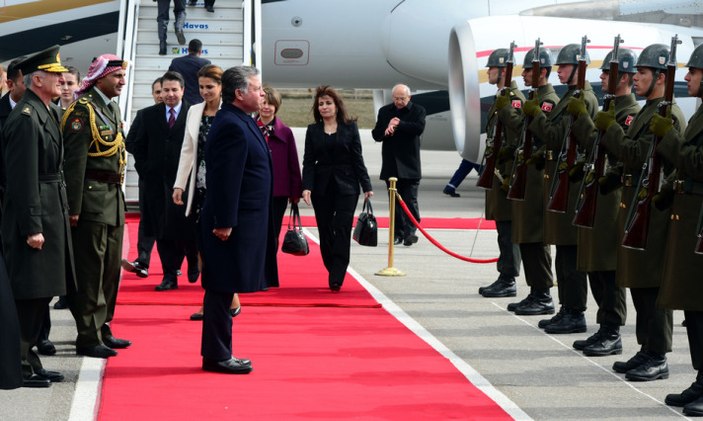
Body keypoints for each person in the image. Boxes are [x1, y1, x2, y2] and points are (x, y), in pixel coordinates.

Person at [599, 43, 686, 381]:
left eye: (643, 73)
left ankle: (659, 354)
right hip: (635, 203)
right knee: (638, 283)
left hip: (654, 211)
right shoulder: (650, 111)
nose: (635, 78)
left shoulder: (668, 116)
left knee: (652, 285)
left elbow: (638, 155)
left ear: (661, 78)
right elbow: (633, 161)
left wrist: (613, 131)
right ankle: (647, 347)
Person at [1, 45, 75, 386]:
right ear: (37, 79)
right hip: (36, 216)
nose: (62, 79)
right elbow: (22, 179)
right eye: (55, 75)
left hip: (50, 209)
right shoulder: (26, 118)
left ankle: (28, 358)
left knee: (42, 291)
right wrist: (32, 226)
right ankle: (18, 361)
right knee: (30, 292)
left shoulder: (43, 110)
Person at [567, 48, 640, 356]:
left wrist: (603, 124)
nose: (601, 77)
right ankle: (604, 327)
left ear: (624, 78)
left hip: (613, 199)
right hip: (597, 193)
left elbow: (625, 154)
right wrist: (583, 118)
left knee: (608, 267)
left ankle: (612, 330)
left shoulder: (629, 115)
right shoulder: (610, 110)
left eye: (607, 74)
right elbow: (591, 144)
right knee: (595, 265)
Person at [523, 42, 598, 333]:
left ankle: (575, 311)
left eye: (564, 66)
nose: (559, 70)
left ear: (579, 67)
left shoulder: (582, 100)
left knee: (571, 253)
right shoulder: (571, 98)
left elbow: (557, 137)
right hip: (561, 180)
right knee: (564, 251)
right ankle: (567, 307)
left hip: (573, 183)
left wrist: (536, 117)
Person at [61, 54, 131, 359]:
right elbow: (73, 163)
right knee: (92, 269)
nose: (122, 81)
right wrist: (73, 207)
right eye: (117, 76)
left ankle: (103, 326)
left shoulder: (110, 107)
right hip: (90, 200)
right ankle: (87, 335)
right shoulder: (82, 110)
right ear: (101, 77)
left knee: (110, 269)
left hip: (112, 197)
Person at [199, 66, 268, 374]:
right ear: (240, 94)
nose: (263, 93)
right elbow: (226, 179)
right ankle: (217, 355)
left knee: (224, 287)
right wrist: (224, 221)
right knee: (221, 286)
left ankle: (220, 352)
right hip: (228, 223)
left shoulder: (241, 119)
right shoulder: (231, 124)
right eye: (257, 88)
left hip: (241, 220)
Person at [653, 43, 703, 415]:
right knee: (694, 307)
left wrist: (669, 138)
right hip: (689, 214)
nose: (687, 78)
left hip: (700, 217)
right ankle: (702, 379)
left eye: (694, 72)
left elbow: (699, 162)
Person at [171, 65, 240, 320]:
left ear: (222, 86)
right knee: (202, 247)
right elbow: (187, 150)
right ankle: (221, 298)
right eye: (201, 87)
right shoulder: (194, 111)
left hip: (223, 188)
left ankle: (221, 299)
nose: (204, 92)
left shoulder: (231, 111)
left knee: (220, 247)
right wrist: (180, 183)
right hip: (199, 189)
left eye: (210, 87)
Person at [126, 71, 198, 291]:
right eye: (166, 90)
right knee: (162, 229)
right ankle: (169, 275)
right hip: (156, 183)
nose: (170, 94)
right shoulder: (147, 114)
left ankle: (193, 260)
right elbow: (134, 143)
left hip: (186, 183)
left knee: (187, 228)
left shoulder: (194, 114)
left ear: (183, 90)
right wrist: (145, 168)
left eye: (174, 90)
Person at [302, 85, 373, 291]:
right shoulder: (312, 130)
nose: (324, 107)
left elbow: (357, 158)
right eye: (321, 104)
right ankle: (332, 265)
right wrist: (307, 186)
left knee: (341, 228)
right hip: (321, 187)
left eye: (328, 103)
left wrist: (366, 185)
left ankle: (337, 273)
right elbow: (308, 161)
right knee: (325, 229)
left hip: (347, 186)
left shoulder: (350, 127)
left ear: (336, 105)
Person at [502, 46, 556, 316]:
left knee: (535, 238)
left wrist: (534, 114)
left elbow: (550, 137)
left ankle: (543, 293)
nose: (522, 74)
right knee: (525, 237)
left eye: (528, 70)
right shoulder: (534, 99)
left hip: (537, 178)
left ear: (542, 72)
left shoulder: (548, 102)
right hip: (525, 175)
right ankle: (535, 291)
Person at [476, 48, 523, 298]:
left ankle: (509, 278)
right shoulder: (501, 97)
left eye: (492, 68)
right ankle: (504, 275)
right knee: (502, 229)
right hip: (497, 174)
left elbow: (518, 133)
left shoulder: (513, 99)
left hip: (507, 176)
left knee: (508, 230)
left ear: (503, 70)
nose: (488, 72)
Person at [256, 85, 302, 288]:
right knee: (254, 233)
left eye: (271, 104)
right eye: (264, 103)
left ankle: (266, 275)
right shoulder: (249, 127)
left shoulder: (286, 133)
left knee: (271, 234)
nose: (266, 107)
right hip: (253, 192)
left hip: (277, 193)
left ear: (277, 107)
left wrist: (295, 191)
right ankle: (253, 273)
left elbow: (293, 163)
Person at [371, 84, 425, 246]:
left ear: (409, 98)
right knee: (394, 202)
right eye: (396, 98)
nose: (399, 101)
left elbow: (418, 128)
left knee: (410, 200)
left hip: (410, 163)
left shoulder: (418, 110)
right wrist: (386, 129)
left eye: (402, 98)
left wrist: (399, 124)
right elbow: (376, 134)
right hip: (391, 163)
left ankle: (410, 232)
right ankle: (397, 233)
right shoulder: (385, 111)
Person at [121, 77, 164, 279]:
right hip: (149, 177)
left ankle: (174, 264)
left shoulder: (186, 114)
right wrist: (145, 163)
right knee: (148, 219)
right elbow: (131, 143)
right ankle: (143, 259)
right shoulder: (144, 116)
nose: (162, 95)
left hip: (176, 179)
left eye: (164, 91)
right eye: (157, 92)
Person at [169, 39, 211, 105]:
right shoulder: (205, 63)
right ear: (200, 51)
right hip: (198, 102)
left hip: (179, 101)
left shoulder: (176, 62)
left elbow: (168, 79)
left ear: (188, 50)